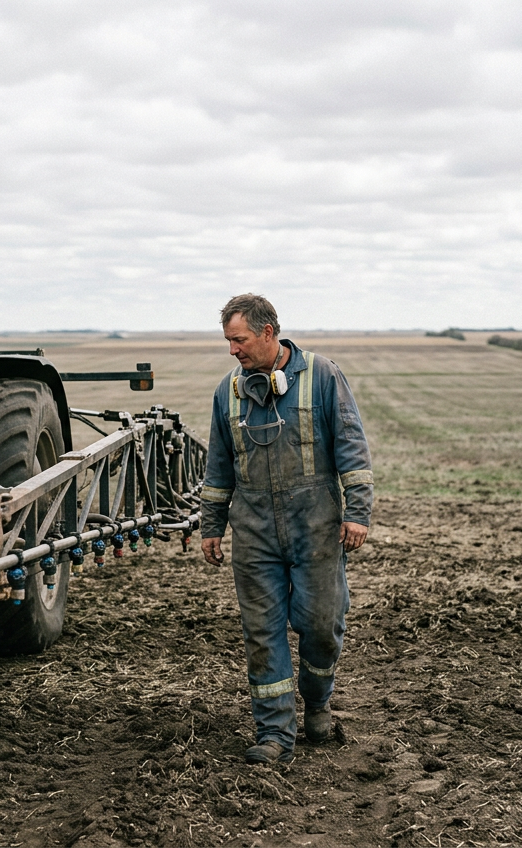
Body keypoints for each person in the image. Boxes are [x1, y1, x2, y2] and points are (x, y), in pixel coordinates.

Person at [200, 293, 373, 765]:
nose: (232, 350)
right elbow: (219, 467)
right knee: (262, 632)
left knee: (321, 625)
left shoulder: (322, 377)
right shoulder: (227, 392)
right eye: (228, 342)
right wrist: (211, 525)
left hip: (315, 525)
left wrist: (357, 511)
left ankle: (317, 701)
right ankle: (275, 733)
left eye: (239, 340)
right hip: (254, 532)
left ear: (268, 333)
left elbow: (351, 446)